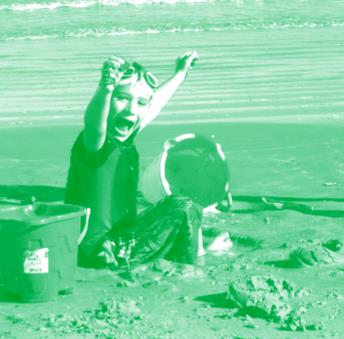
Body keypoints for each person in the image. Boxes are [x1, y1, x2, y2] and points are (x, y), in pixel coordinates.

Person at [65, 51, 202, 269]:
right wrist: (106, 87)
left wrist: (180, 72)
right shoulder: (95, 145)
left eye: (140, 103)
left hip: (124, 238)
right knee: (182, 206)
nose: (131, 109)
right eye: (122, 98)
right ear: (109, 102)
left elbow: (154, 105)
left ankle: (192, 253)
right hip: (100, 250)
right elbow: (92, 123)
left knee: (190, 206)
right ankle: (191, 263)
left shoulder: (127, 138)